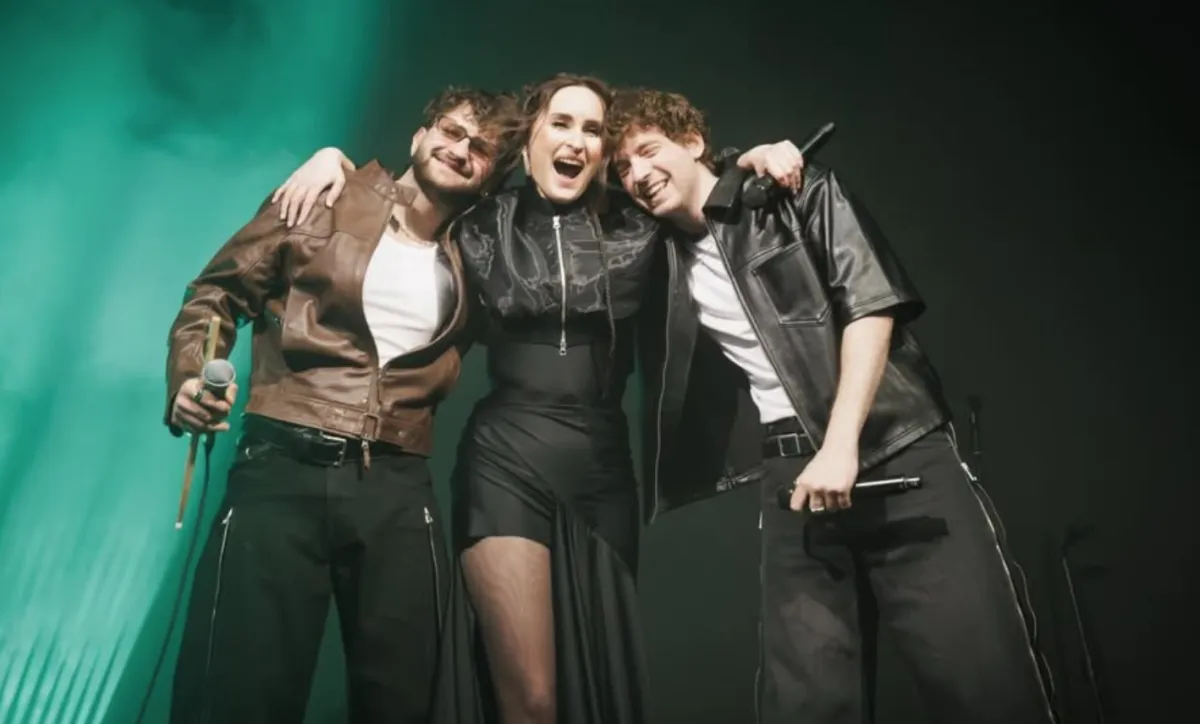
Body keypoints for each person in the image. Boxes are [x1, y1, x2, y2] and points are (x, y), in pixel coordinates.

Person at [271, 73, 802, 724]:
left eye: (593, 130)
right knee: (532, 698)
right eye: (561, 123)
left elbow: (702, 190)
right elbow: (410, 196)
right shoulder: (480, 221)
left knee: (594, 690)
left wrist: (753, 158)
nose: (576, 139)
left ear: (605, 153)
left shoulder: (640, 224)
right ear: (529, 142)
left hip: (604, 472)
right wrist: (336, 162)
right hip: (505, 462)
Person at [608, 87, 1060, 724]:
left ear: (692, 142)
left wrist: (842, 445)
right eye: (623, 167)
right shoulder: (653, 252)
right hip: (793, 480)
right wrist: (745, 157)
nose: (637, 174)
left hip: (895, 449)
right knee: (806, 701)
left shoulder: (797, 192)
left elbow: (870, 307)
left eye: (649, 151)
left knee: (982, 680)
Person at [163, 86, 515, 724]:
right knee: (241, 690)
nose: (461, 149)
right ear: (420, 134)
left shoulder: (478, 252)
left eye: (481, 147)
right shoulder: (322, 197)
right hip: (282, 467)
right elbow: (216, 296)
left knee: (406, 697)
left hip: (396, 484)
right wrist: (190, 377)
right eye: (451, 130)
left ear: (491, 173)